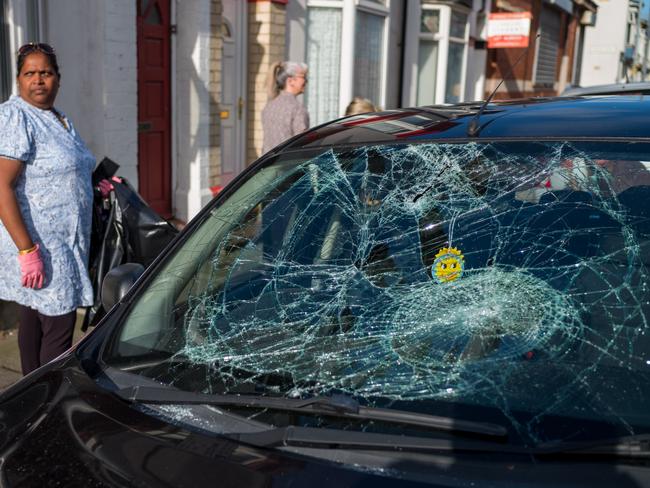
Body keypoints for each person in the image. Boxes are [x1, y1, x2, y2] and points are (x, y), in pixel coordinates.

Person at [0, 43, 96, 375]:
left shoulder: (57, 118)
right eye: (30, 73)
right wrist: (27, 250)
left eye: (46, 72)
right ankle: (48, 406)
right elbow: (2, 185)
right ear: (18, 79)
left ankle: (27, 401)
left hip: (64, 243)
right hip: (41, 245)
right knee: (57, 328)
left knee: (34, 318)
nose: (38, 80)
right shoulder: (17, 116)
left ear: (58, 78)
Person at [262, 61, 310, 153]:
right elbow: (302, 142)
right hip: (287, 162)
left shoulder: (269, 106)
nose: (306, 81)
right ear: (290, 81)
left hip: (267, 162)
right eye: (303, 77)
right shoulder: (297, 108)